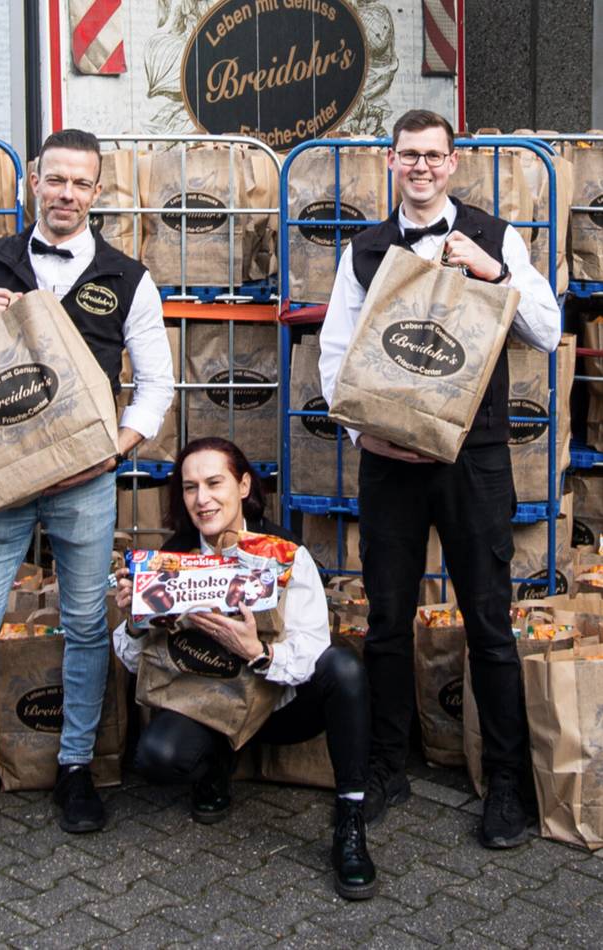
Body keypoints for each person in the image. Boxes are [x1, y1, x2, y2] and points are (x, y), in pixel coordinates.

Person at [0, 129, 174, 857]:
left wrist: (108, 453)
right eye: (54, 179)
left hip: (86, 485)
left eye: (80, 183)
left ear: (98, 192)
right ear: (34, 180)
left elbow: (156, 385)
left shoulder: (129, 277)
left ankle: (75, 770)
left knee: (88, 629)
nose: (66, 194)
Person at [319, 110, 561, 847]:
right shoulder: (363, 248)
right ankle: (389, 766)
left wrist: (495, 275)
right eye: (407, 156)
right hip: (389, 466)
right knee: (388, 623)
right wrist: (369, 434)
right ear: (390, 163)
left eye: (432, 156)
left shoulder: (496, 238)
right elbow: (335, 354)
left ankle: (508, 786)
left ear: (453, 163)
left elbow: (548, 330)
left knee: (489, 624)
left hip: (476, 461)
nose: (420, 167)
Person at [113, 438, 377, 901]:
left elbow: (314, 643)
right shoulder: (170, 559)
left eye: (215, 483)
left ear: (243, 484)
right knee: (157, 757)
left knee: (345, 668)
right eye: (190, 487)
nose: (202, 499)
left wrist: (258, 651)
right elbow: (134, 662)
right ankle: (214, 764)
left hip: (280, 707)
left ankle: (350, 819)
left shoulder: (284, 552)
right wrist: (136, 621)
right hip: (210, 704)